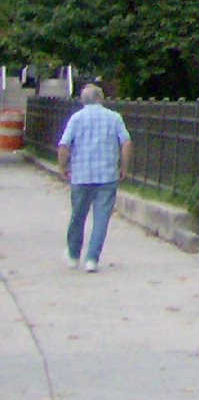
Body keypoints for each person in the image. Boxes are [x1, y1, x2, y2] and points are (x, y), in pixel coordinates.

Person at [57, 82, 131, 273]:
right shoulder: (114, 118)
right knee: (101, 218)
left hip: (81, 175)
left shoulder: (76, 118)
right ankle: (92, 258)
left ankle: (73, 254)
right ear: (101, 98)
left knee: (78, 215)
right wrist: (123, 166)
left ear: (83, 100)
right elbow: (126, 142)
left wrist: (62, 167)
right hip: (107, 175)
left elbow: (64, 145)